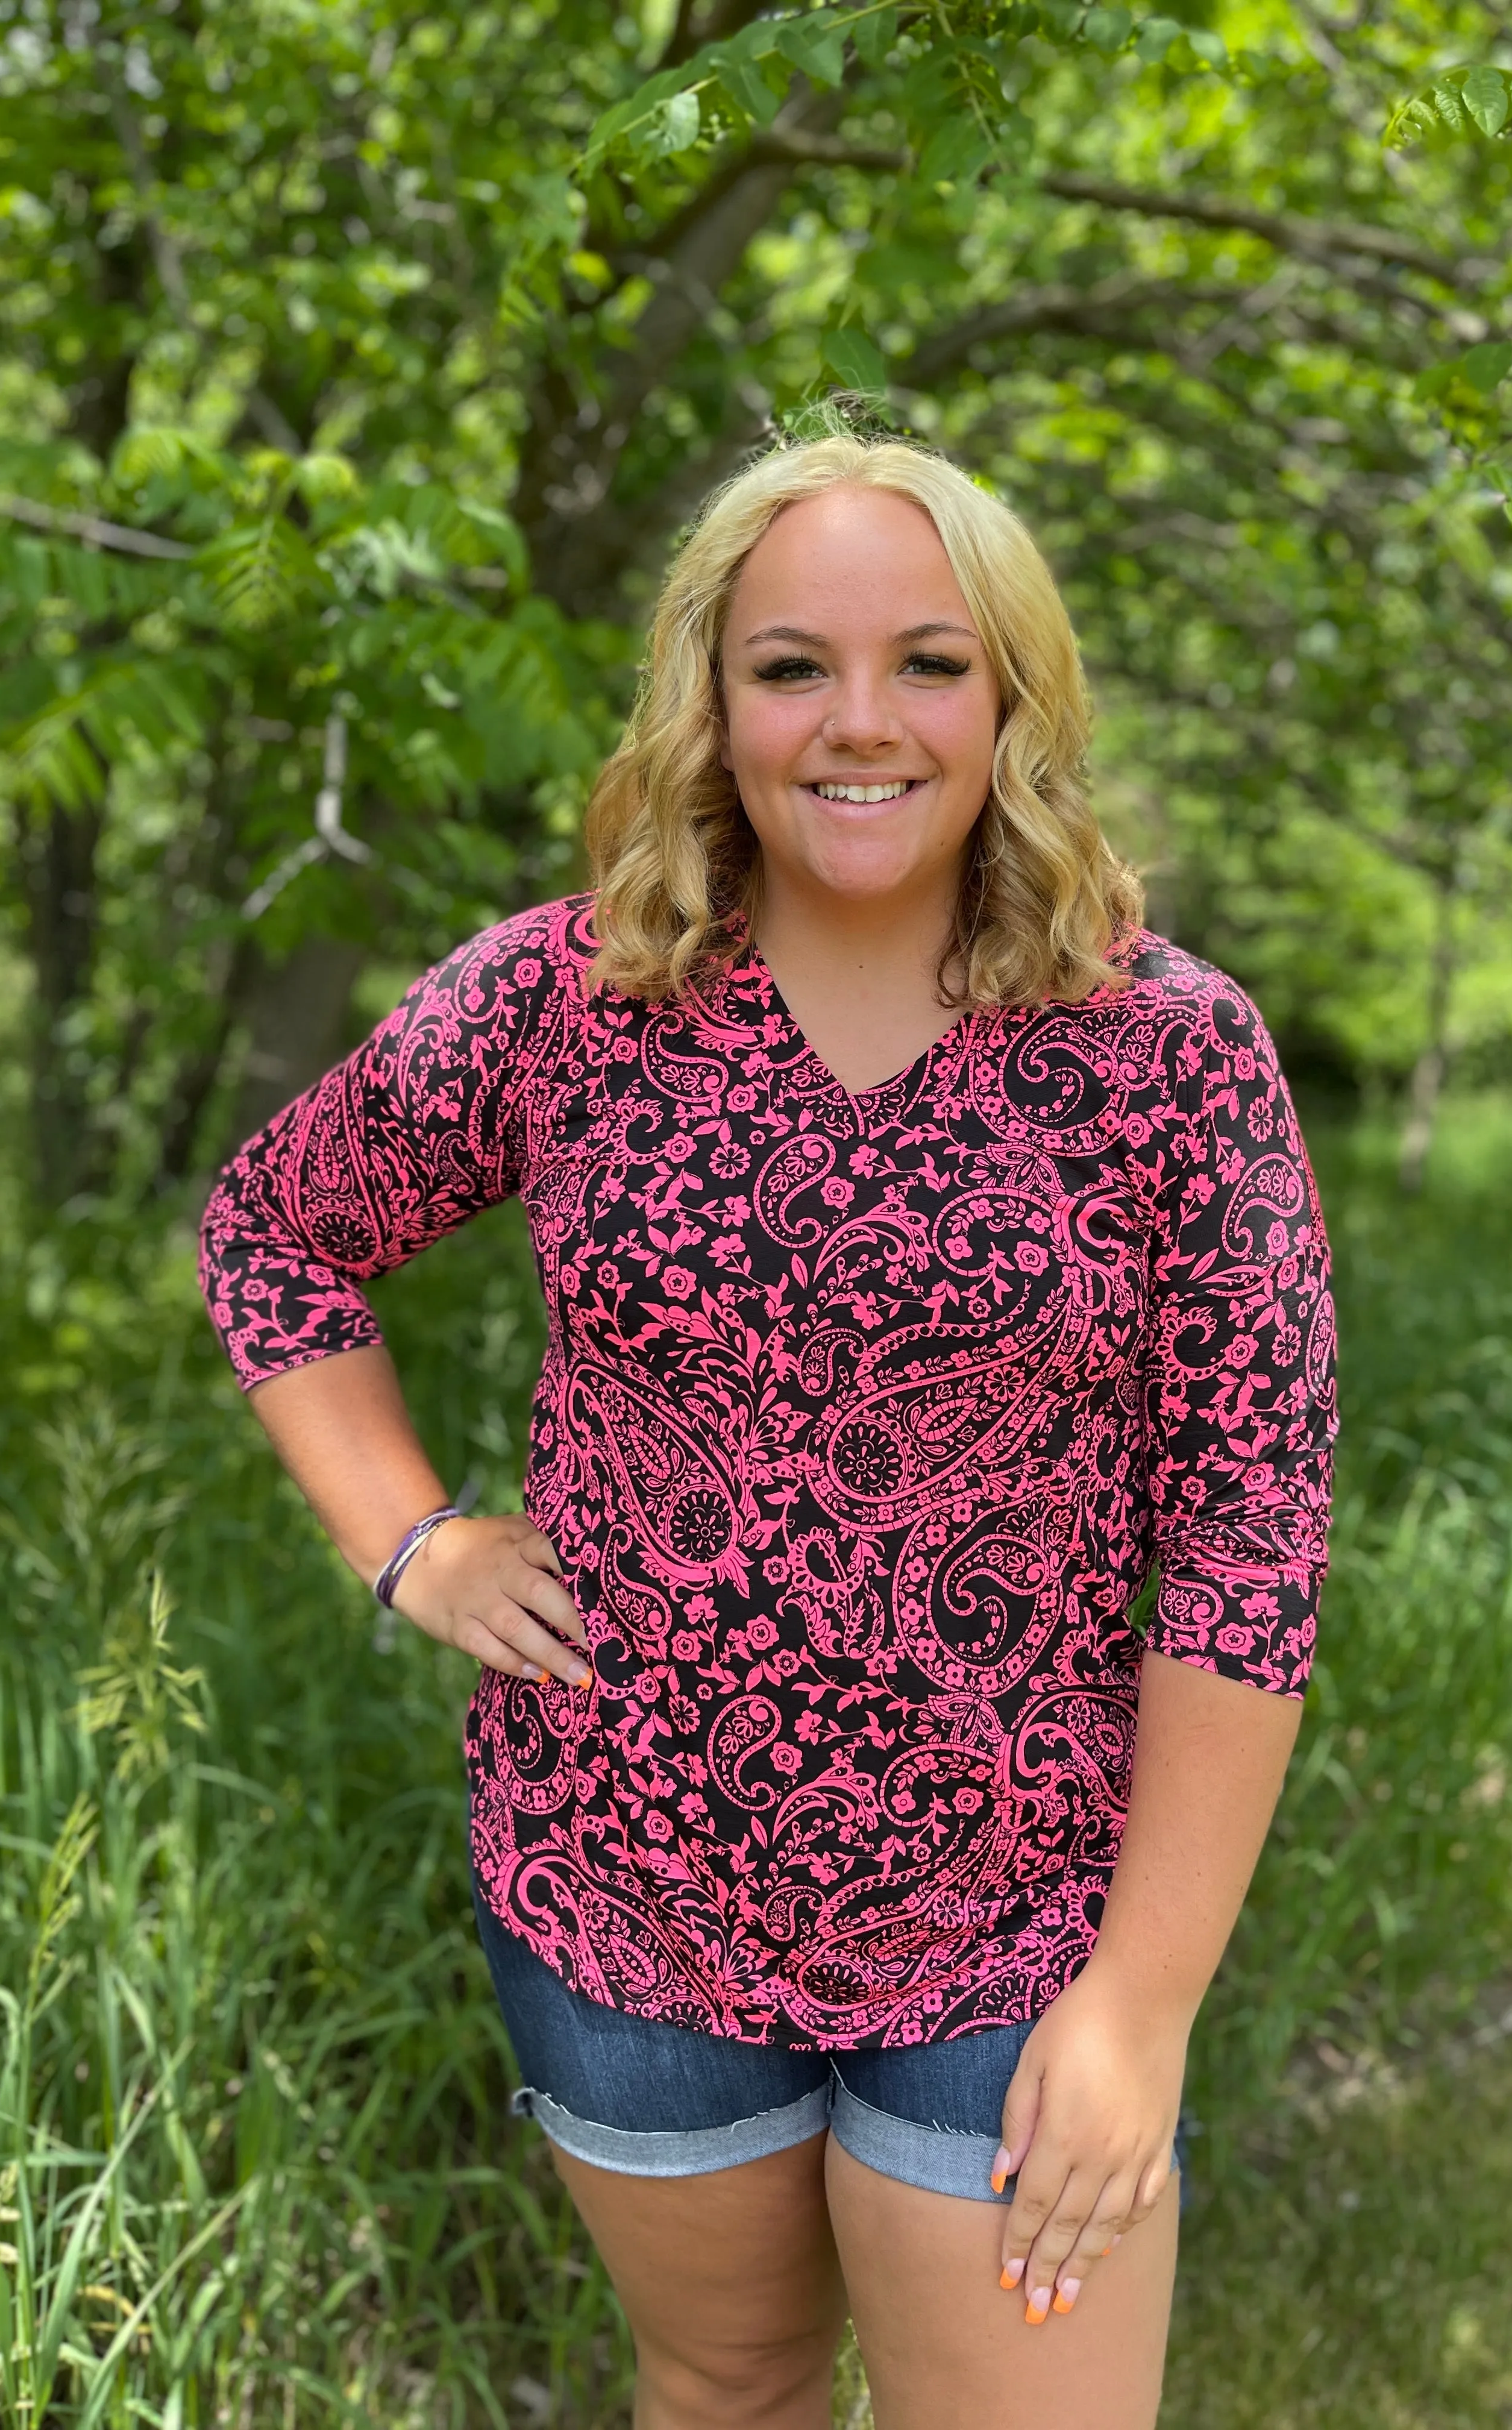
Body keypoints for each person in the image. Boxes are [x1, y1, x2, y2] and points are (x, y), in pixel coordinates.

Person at [199, 428, 1335, 2430]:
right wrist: (418, 1540)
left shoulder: (1166, 1048)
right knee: (724, 2386)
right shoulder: (572, 1000)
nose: (859, 722)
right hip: (622, 1890)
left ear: (1013, 696)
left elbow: (1246, 1549)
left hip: (1023, 1923)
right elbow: (274, 1233)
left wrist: (1144, 2005)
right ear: (712, 705)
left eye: (928, 661)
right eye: (792, 666)